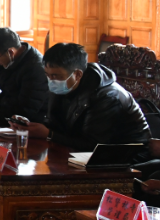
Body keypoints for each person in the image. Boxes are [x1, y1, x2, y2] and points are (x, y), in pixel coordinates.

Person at [18, 42, 150, 150]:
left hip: (126, 155)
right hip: (79, 151)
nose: (51, 81)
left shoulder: (106, 96)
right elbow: (56, 125)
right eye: (47, 75)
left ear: (77, 74)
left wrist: (49, 134)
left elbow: (93, 144)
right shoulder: (63, 87)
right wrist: (30, 126)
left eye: (55, 76)